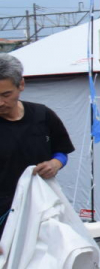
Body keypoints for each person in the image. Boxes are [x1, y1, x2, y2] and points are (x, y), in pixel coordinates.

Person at [0, 54, 74, 236]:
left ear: (21, 85)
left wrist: (55, 164)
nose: (0, 103)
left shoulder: (42, 115)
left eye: (6, 95)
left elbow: (62, 151)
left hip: (43, 208)